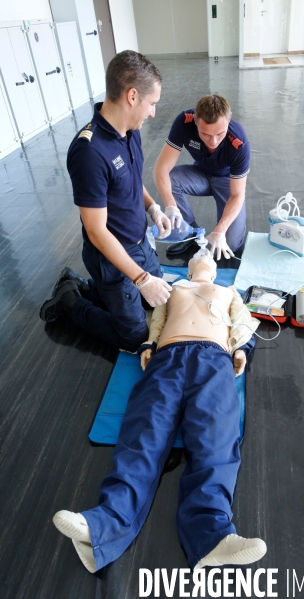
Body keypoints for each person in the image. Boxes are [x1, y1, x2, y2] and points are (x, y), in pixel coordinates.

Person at [52, 252, 266, 573]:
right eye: (198, 259)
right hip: (168, 356)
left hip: (214, 360)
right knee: (143, 433)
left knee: (217, 437)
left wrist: (240, 349)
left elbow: (244, 323)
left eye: (206, 259)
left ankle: (212, 535)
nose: (202, 261)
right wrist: (149, 346)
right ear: (190, 268)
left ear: (215, 269)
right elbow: (158, 321)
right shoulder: (172, 288)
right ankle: (108, 522)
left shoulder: (230, 292)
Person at [39, 51, 172, 353]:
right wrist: (140, 278)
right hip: (110, 253)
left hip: (139, 242)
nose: (153, 112)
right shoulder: (89, 151)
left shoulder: (129, 131)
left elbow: (131, 179)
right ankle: (70, 301)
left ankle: (88, 287)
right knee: (135, 337)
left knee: (161, 299)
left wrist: (152, 207)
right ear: (133, 96)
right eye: (152, 103)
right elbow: (97, 232)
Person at [153, 95, 250, 260]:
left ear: (229, 120)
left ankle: (225, 232)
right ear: (196, 122)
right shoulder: (184, 122)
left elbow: (237, 194)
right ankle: (188, 230)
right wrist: (171, 207)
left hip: (227, 181)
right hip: (201, 173)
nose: (213, 141)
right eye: (205, 134)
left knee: (231, 243)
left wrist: (220, 230)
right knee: (171, 178)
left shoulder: (239, 142)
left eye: (220, 134)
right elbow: (161, 169)